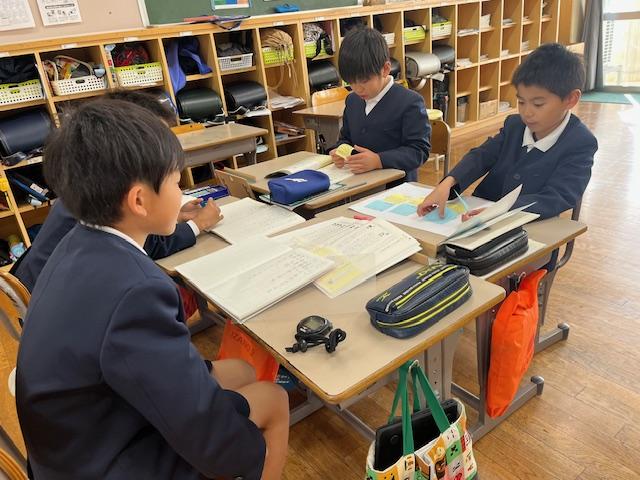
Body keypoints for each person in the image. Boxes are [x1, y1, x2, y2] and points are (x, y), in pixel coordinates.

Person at [16, 100, 289, 480]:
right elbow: (209, 440)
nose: (182, 193)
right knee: (274, 399)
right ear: (139, 200)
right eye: (176, 183)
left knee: (242, 370)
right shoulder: (138, 291)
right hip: (104, 460)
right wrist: (237, 449)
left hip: (72, 439)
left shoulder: (77, 241)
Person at [13, 90, 222, 293]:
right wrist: (198, 224)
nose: (165, 151)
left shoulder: (88, 189)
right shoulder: (143, 287)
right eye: (175, 182)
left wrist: (172, 214)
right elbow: (152, 245)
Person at [418, 43, 598, 220]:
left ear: (570, 99)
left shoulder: (580, 143)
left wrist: (499, 211)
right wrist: (449, 182)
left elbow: (557, 197)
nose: (527, 112)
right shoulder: (515, 125)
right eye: (521, 102)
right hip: (480, 215)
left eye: (538, 104)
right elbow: (481, 156)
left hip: (528, 225)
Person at [330, 27, 431, 182]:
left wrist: (379, 160)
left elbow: (419, 151)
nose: (357, 89)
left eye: (364, 81)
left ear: (385, 69)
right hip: (358, 182)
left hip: (396, 188)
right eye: (351, 82)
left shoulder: (410, 102)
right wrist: (340, 151)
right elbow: (346, 138)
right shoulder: (352, 101)